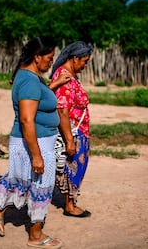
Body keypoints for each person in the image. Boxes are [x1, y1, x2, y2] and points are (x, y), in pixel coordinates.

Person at [0, 36, 63, 249]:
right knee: (41, 186)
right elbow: (27, 119)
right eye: (49, 58)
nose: (51, 62)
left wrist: (53, 85)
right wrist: (37, 155)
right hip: (36, 142)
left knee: (22, 180)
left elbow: (38, 100)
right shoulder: (29, 81)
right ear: (37, 57)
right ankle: (35, 236)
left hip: (32, 141)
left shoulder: (29, 76)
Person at [49, 41, 93, 218]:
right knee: (72, 167)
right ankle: (69, 205)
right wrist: (69, 140)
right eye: (85, 61)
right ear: (75, 58)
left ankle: (70, 202)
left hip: (78, 130)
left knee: (75, 167)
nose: (85, 65)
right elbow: (62, 110)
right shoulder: (64, 77)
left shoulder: (68, 75)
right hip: (73, 132)